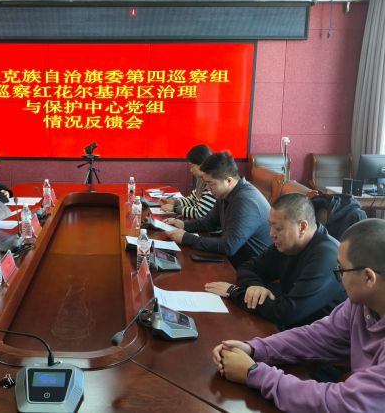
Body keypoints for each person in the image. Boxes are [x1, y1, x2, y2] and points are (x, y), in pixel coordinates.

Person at [211, 218, 385, 413]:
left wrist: (254, 373)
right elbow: (316, 337)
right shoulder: (359, 305)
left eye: (341, 270)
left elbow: (343, 403)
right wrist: (254, 348)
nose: (339, 278)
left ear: (368, 277)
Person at [205, 193, 347, 330]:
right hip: (292, 329)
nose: (271, 234)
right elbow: (249, 267)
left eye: (278, 228)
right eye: (270, 226)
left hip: (318, 338)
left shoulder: (327, 256)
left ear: (302, 227)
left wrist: (234, 292)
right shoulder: (288, 243)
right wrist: (255, 287)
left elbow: (287, 313)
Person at [165, 151, 271, 268]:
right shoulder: (226, 193)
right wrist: (183, 225)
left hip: (253, 269)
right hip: (234, 260)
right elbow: (209, 222)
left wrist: (187, 238)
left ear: (228, 180)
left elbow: (229, 246)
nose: (207, 188)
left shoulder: (245, 201)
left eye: (211, 183)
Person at [160, 144, 216, 220]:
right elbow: (192, 200)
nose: (190, 170)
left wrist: (175, 208)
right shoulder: (200, 180)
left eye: (192, 166)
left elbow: (199, 212)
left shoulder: (212, 183)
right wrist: (174, 202)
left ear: (202, 164)